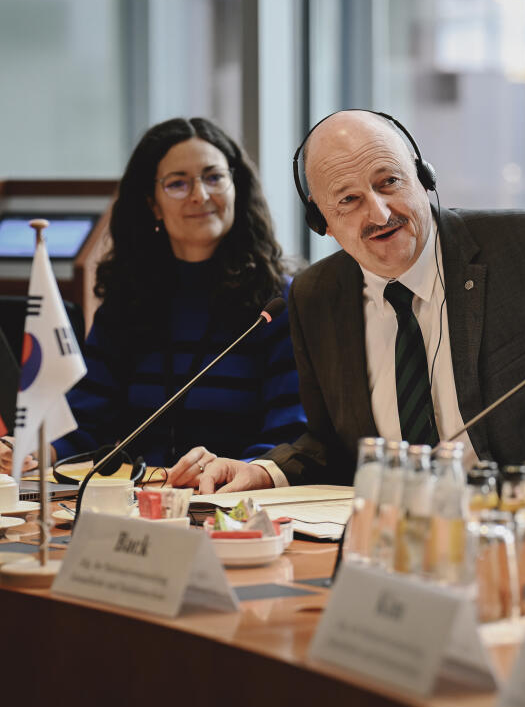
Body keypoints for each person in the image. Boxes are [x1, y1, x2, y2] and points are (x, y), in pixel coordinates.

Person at [174, 109, 525, 492]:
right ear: (320, 221)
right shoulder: (316, 294)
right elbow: (331, 444)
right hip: (394, 541)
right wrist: (262, 471)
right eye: (348, 200)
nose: (380, 211)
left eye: (389, 182)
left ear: (423, 176)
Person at [1, 117, 306, 493]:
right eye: (178, 183)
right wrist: (33, 449)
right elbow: (86, 418)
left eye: (214, 178)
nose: (199, 195)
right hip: (142, 498)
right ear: (153, 204)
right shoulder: (128, 299)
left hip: (235, 499)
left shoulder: (279, 304)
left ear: (236, 188)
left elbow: (291, 431)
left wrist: (238, 470)